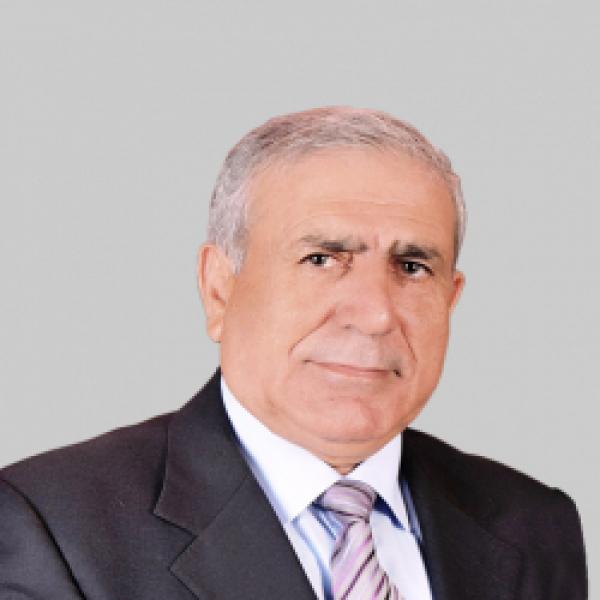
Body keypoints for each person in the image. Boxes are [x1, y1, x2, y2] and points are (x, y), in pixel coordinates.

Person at [0, 107, 587, 599]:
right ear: (219, 289)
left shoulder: (535, 526)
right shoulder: (51, 527)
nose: (375, 313)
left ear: (451, 298)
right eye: (322, 259)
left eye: (412, 267)